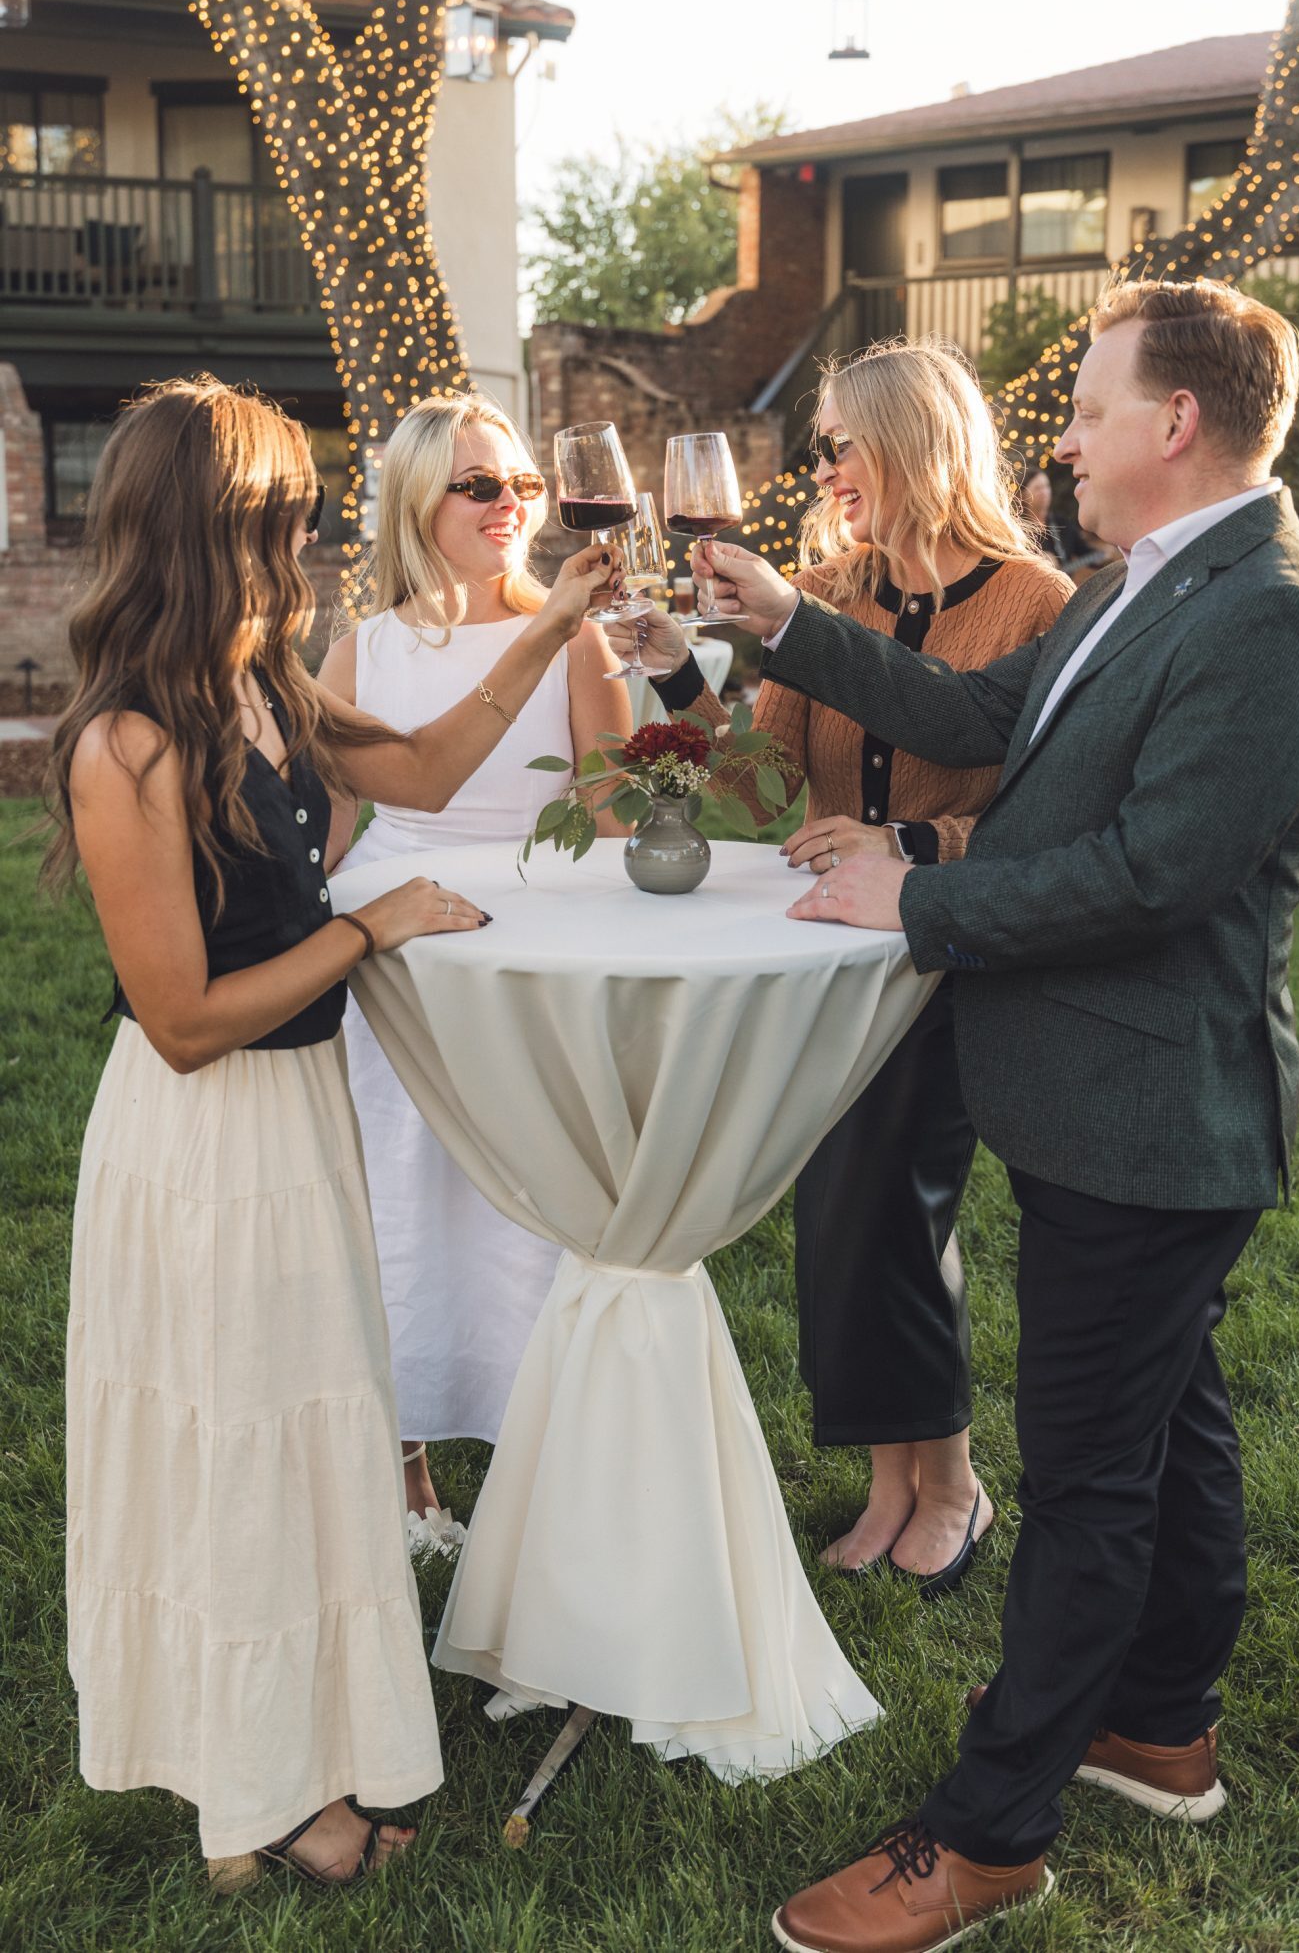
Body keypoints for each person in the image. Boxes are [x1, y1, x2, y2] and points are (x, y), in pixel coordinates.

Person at [691, 279, 1299, 1953]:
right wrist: (789, 625)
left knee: (1090, 1481)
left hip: (1153, 1116)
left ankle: (986, 1835)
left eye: (1093, 406)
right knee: (1174, 1422)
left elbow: (1152, 876)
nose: (1069, 436)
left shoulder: (1267, 614)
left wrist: (912, 895)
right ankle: (1159, 1724)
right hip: (1097, 1108)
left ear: (1173, 424)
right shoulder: (1131, 585)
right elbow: (989, 727)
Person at [47, 376, 613, 1889]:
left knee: (308, 1440)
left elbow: (423, 770)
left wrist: (551, 630)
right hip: (205, 1137)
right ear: (200, 529)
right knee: (243, 1444)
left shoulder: (265, 687)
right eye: (276, 520)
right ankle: (265, 1802)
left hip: (292, 1116)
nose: (299, 548)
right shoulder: (127, 746)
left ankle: (281, 1770)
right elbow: (182, 1015)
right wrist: (368, 927)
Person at [612, 339, 1071, 1588]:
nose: (819, 466)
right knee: (841, 1214)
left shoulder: (1036, 603)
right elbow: (764, 790)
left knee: (900, 1207)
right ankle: (886, 1483)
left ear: (910, 441)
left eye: (835, 442)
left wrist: (911, 838)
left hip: (940, 957)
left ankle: (957, 1484)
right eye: (816, 446)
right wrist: (672, 670)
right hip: (822, 957)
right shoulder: (826, 589)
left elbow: (1048, 823)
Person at [320, 394, 631, 1550]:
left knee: (523, 1225)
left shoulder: (574, 634)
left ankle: (536, 1472)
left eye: (525, 486)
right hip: (394, 972)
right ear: (415, 501)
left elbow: (607, 811)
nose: (513, 506)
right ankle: (400, 1472)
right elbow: (340, 826)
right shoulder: (364, 648)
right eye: (481, 485)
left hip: (525, 958)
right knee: (392, 1211)